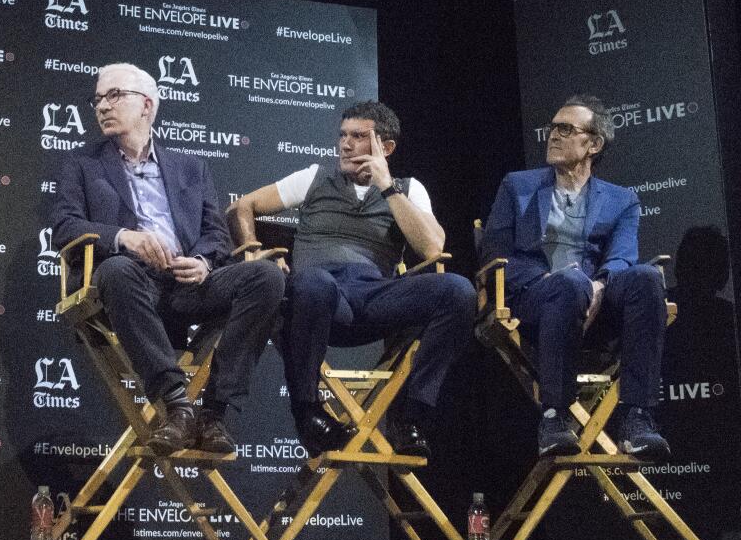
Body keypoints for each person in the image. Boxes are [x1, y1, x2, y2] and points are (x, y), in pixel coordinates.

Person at [52, 63, 285, 455]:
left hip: (188, 282)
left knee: (266, 277)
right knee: (118, 268)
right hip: (125, 283)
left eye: (113, 96)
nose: (102, 107)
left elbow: (216, 234)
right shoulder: (82, 163)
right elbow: (63, 226)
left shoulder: (191, 167)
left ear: (146, 105)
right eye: (97, 100)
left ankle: (214, 412)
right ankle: (178, 405)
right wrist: (126, 238)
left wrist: (205, 263)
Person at [229, 101, 474, 458]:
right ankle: (307, 412)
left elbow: (433, 247)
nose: (345, 144)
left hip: (376, 298)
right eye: (343, 135)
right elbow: (242, 207)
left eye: (358, 137)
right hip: (320, 300)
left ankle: (414, 415)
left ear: (385, 148)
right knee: (313, 282)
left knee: (458, 290)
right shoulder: (314, 177)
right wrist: (253, 252)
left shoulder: (408, 188)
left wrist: (387, 187)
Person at [482, 94, 670, 459]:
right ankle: (554, 418)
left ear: (594, 144)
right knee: (568, 284)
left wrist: (598, 285)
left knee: (646, 278)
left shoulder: (622, 200)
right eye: (553, 127)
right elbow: (495, 253)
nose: (553, 135)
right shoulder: (517, 186)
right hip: (533, 300)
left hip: (593, 306)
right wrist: (556, 281)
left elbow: (622, 258)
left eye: (566, 129)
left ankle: (638, 418)